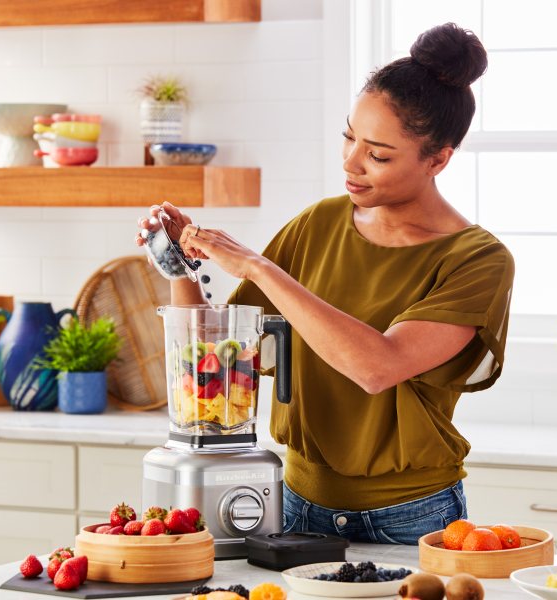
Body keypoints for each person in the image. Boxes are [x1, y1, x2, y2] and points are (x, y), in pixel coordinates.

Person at [135, 22, 514, 545]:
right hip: (291, 503)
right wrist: (177, 261)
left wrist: (259, 267)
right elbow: (220, 353)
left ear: (439, 159)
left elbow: (378, 366)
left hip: (409, 517)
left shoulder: (477, 260)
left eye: (378, 154)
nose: (351, 162)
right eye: (349, 136)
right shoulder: (318, 223)